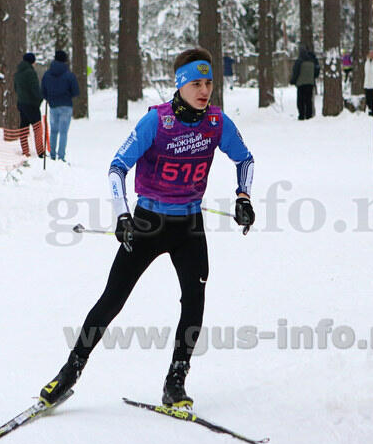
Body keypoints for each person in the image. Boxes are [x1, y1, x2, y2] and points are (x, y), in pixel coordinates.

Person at [38, 47, 256, 410]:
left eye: (208, 83)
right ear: (180, 84)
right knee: (112, 299)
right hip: (147, 223)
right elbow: (117, 167)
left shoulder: (217, 123)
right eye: (196, 84)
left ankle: (176, 381)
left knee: (194, 301)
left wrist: (243, 197)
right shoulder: (157, 121)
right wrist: (123, 216)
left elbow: (244, 158)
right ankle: (69, 372)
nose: (204, 91)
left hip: (189, 225)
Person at [41, 49, 79, 163]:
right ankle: (61, 156)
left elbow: (43, 90)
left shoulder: (47, 74)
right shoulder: (69, 75)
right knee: (63, 132)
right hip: (66, 105)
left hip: (53, 105)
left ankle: (52, 155)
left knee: (53, 131)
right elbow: (75, 91)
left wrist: (49, 98)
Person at [13, 52, 45, 158]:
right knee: (37, 128)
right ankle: (40, 152)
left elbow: (15, 88)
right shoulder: (31, 73)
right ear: (32, 62)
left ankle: (25, 150)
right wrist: (40, 98)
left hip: (21, 104)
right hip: (32, 104)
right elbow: (35, 89)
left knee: (24, 128)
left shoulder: (17, 73)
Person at [290, 44, 319, 121]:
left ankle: (301, 115)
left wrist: (293, 81)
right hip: (310, 83)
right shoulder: (312, 61)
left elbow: (296, 72)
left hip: (301, 84)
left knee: (301, 100)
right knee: (308, 100)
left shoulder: (299, 61)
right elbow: (316, 72)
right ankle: (309, 115)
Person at [363, 47, 373, 117]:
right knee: (368, 100)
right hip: (367, 84)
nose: (371, 54)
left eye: (372, 53)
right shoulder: (366, 62)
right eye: (370, 53)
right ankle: (370, 111)